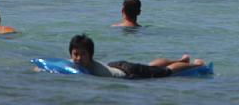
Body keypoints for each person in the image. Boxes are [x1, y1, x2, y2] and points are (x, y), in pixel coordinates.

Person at [68, 34, 206, 79]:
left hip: (129, 72)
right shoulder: (74, 64)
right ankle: (181, 60)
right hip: (114, 65)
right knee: (150, 65)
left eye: (83, 54)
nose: (78, 58)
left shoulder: (90, 71)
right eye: (75, 54)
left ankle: (197, 64)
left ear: (91, 55)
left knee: (167, 72)